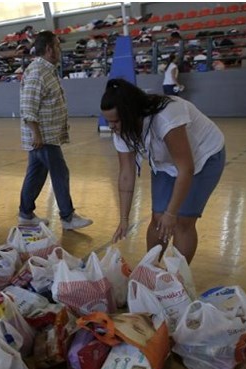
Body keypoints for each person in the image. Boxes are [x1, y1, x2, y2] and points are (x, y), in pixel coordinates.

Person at [101, 78, 226, 263]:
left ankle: (176, 279)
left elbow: (186, 168)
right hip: (165, 163)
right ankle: (150, 270)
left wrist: (172, 213)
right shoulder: (121, 130)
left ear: (131, 113)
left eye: (116, 121)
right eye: (108, 121)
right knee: (158, 217)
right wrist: (124, 218)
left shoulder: (167, 116)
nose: (111, 127)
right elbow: (126, 175)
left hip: (202, 158)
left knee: (182, 222)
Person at [18, 30, 93, 230]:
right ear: (50, 49)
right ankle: (68, 217)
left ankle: (26, 214)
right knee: (60, 173)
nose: (60, 50)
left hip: (45, 136)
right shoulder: (38, 73)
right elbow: (28, 106)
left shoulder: (46, 70)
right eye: (58, 46)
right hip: (43, 138)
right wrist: (36, 134)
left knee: (36, 175)